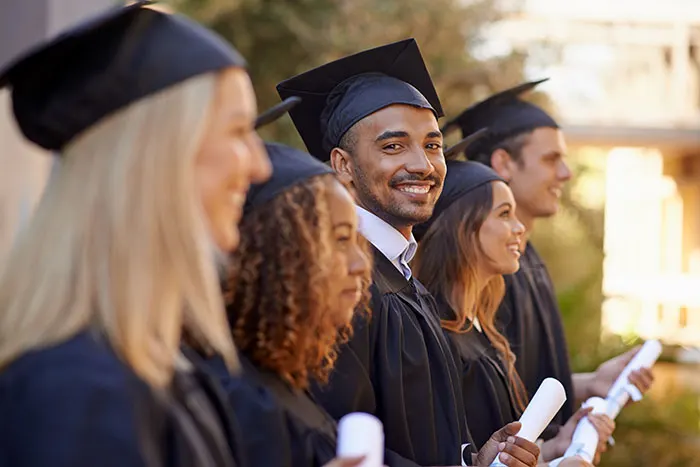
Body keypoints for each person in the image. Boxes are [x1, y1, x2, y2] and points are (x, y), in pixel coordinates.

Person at [0, 3, 280, 466]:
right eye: (237, 131)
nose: (260, 165)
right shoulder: (76, 394)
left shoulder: (163, 368)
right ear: (155, 160)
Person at [278, 38, 540, 467]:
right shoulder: (341, 286)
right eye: (393, 146)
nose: (423, 164)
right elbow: (334, 442)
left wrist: (474, 459)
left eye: (433, 145)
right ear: (342, 165)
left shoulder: (404, 279)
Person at [440, 80, 655, 440]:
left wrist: (590, 384)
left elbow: (516, 380)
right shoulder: (490, 272)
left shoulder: (528, 260)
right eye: (551, 159)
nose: (566, 173)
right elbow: (486, 399)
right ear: (503, 162)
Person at [412, 160, 615, 464]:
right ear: (461, 228)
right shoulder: (436, 338)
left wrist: (559, 445)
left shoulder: (483, 329)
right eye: (505, 214)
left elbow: (503, 455)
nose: (519, 228)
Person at [205, 142, 372, 467]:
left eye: (356, 240)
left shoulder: (283, 380)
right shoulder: (241, 402)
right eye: (338, 239)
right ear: (279, 257)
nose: (361, 265)